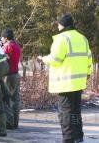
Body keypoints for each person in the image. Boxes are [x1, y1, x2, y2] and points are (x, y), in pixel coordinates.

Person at [37, 13, 92, 143]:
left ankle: (67, 139)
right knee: (75, 112)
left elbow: (55, 59)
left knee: (65, 113)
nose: (57, 27)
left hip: (65, 83)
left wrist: (43, 59)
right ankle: (78, 137)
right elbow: (89, 58)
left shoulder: (62, 39)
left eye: (58, 24)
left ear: (62, 25)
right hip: (78, 82)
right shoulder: (83, 38)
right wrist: (87, 74)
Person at [1, 28, 21, 129]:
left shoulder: (7, 46)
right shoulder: (17, 46)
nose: (1, 39)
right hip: (16, 75)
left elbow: (3, 59)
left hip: (9, 76)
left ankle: (9, 123)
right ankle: (15, 123)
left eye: (2, 37)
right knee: (16, 100)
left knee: (6, 100)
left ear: (5, 38)